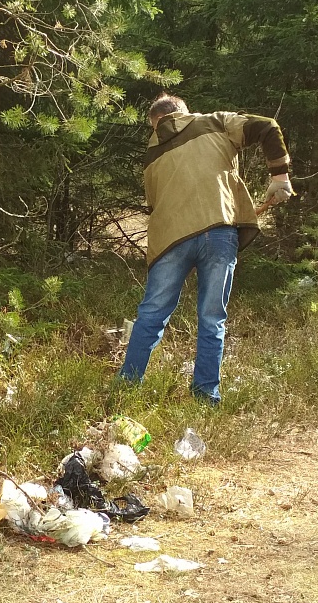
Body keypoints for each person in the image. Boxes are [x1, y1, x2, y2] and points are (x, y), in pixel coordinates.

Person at [117, 94, 295, 404]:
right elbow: (267, 126)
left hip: (171, 240)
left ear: (156, 122)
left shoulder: (151, 152)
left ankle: (127, 387)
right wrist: (279, 176)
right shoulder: (215, 121)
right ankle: (205, 397)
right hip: (217, 232)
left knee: (151, 314)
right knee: (212, 318)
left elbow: (152, 204)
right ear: (183, 112)